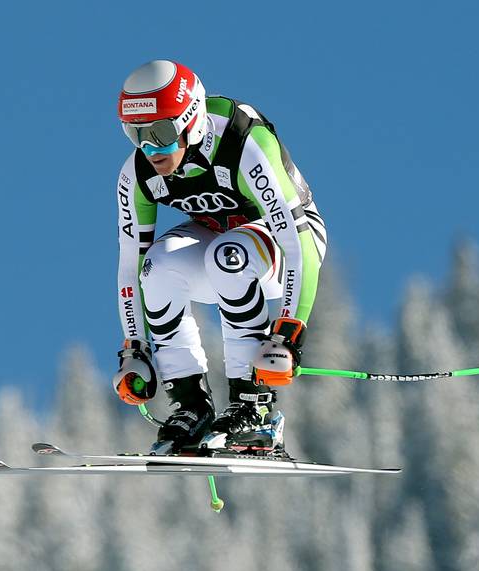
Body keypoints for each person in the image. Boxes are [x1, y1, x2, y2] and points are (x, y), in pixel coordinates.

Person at [111, 60, 326, 455]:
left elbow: (298, 243)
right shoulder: (137, 174)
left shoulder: (243, 142)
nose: (150, 148)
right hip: (220, 240)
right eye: (135, 133)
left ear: (191, 120)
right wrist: (134, 349)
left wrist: (289, 332)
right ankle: (191, 407)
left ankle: (254, 407)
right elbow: (130, 264)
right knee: (157, 266)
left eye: (160, 132)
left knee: (228, 255)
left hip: (285, 244)